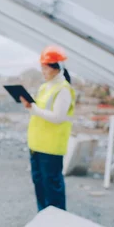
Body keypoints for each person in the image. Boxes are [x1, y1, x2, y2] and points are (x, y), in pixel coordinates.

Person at [20, 45, 76, 211]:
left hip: (51, 148)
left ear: (56, 68)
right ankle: (43, 222)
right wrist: (31, 106)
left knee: (52, 189)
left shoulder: (64, 89)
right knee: (40, 186)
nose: (43, 71)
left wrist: (33, 108)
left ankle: (57, 225)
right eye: (42, 67)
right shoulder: (45, 87)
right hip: (37, 145)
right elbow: (40, 112)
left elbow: (58, 117)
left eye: (45, 67)